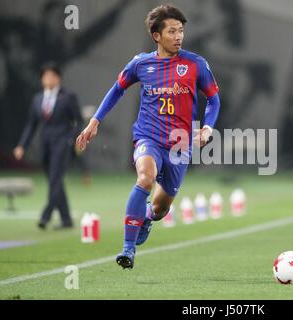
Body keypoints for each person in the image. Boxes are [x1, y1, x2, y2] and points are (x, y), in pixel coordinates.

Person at [76, 4, 220, 269]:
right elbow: (117, 89)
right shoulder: (141, 64)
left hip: (180, 145)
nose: (179, 36)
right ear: (157, 35)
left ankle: (147, 216)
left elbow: (213, 99)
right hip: (148, 137)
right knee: (145, 177)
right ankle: (127, 250)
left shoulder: (195, 64)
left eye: (181, 31)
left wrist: (208, 127)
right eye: (172, 31)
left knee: (160, 209)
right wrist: (95, 121)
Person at [14, 62, 83, 230]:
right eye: (45, 76)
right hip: (44, 145)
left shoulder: (68, 96)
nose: (48, 79)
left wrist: (71, 139)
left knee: (55, 180)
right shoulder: (37, 99)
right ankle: (66, 219)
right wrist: (22, 145)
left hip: (62, 144)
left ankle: (46, 215)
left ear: (58, 78)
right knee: (54, 182)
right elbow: (31, 125)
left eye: (52, 75)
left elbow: (78, 120)